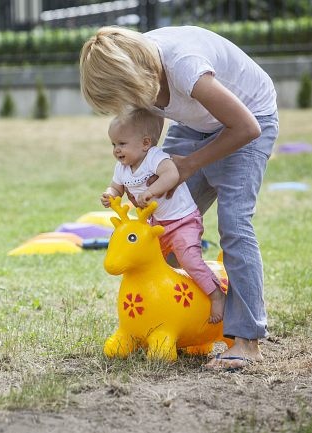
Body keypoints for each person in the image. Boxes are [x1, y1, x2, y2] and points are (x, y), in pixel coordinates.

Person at [80, 25, 279, 371]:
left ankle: (246, 341)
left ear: (134, 75)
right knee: (158, 222)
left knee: (234, 225)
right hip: (195, 125)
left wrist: (188, 166)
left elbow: (247, 128)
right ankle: (174, 321)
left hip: (250, 120)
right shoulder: (138, 64)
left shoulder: (186, 67)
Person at [100, 108, 226, 324]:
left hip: (182, 221)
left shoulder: (155, 158)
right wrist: (109, 194)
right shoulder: (122, 168)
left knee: (188, 259)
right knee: (151, 263)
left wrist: (152, 191)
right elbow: (116, 187)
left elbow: (172, 174)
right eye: (113, 144)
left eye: (122, 144)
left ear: (145, 143)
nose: (117, 150)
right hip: (156, 224)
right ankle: (158, 303)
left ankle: (216, 295)